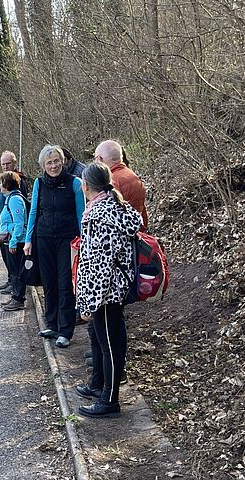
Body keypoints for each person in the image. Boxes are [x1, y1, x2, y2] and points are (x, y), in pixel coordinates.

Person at [73, 162, 143, 417]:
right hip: (113, 290)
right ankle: (100, 388)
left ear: (86, 186)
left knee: (110, 347)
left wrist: (89, 304)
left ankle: (110, 402)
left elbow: (99, 264)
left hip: (106, 293)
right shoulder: (112, 208)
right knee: (109, 343)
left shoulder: (99, 214)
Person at [24, 145, 85, 348]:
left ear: (63, 161)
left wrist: (83, 240)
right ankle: (52, 324)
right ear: (43, 165)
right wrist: (28, 239)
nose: (53, 165)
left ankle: (66, 330)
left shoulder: (75, 183)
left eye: (56, 161)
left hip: (67, 240)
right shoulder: (38, 184)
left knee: (65, 283)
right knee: (48, 282)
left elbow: (81, 214)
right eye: (49, 162)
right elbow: (33, 212)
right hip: (43, 238)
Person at [0, 151, 30, 294]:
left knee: (14, 262)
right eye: (3, 164)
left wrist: (14, 239)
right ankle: (11, 280)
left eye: (8, 163)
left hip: (13, 231)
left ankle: (16, 289)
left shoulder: (17, 181)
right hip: (5, 227)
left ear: (14, 163)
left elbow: (19, 218)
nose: (5, 166)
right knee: (7, 258)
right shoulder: (5, 179)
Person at [94, 140, 148, 230]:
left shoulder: (111, 182)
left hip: (124, 235)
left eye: (95, 158)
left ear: (100, 159)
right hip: (137, 228)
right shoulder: (131, 174)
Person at [0, 171, 28, 311]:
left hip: (16, 242)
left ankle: (18, 299)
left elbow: (19, 223)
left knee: (17, 272)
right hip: (10, 241)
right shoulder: (10, 198)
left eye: (1, 183)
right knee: (14, 271)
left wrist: (14, 242)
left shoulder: (15, 199)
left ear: (7, 184)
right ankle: (15, 297)